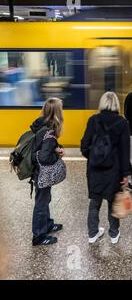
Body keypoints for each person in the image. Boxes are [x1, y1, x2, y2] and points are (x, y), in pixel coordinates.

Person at [81, 92, 132, 244]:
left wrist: (94, 158)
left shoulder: (93, 120)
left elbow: (84, 146)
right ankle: (114, 234)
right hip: (114, 170)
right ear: (116, 104)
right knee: (112, 201)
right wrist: (125, 174)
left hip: (94, 169)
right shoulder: (122, 123)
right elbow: (125, 151)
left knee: (95, 201)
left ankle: (92, 234)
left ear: (102, 103)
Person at [30, 98, 65, 246]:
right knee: (41, 202)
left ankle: (47, 224)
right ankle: (39, 235)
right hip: (42, 171)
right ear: (57, 112)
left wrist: (56, 148)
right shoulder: (50, 131)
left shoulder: (41, 123)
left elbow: (43, 144)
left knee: (45, 198)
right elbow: (44, 157)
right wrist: (57, 154)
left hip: (38, 170)